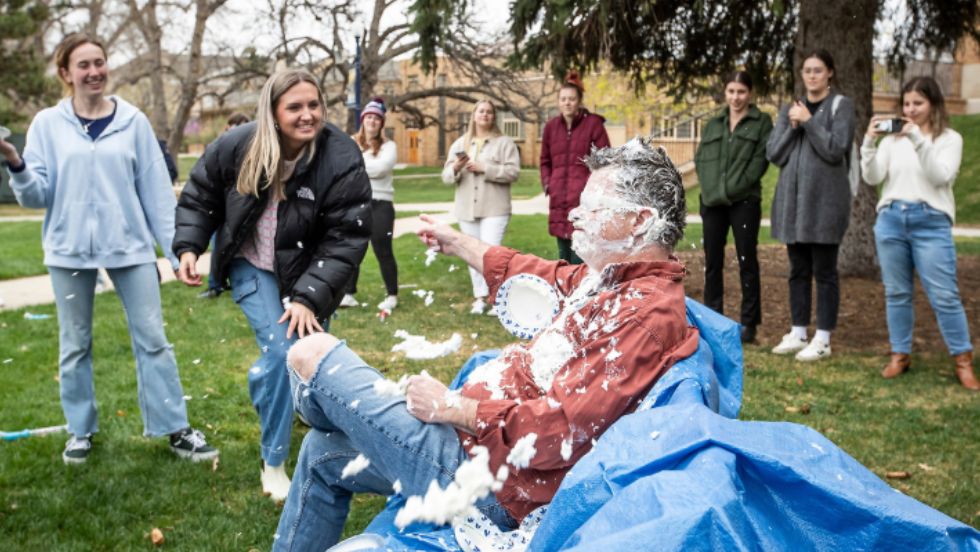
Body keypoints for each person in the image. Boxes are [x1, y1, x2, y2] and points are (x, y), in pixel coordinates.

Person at [272, 138, 698, 550]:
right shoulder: (613, 279)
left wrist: (452, 408)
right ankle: (326, 416)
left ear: (641, 220)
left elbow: (563, 429)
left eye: (592, 206)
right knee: (321, 453)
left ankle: (319, 409)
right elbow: (538, 275)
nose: (575, 215)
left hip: (493, 481)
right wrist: (458, 243)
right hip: (478, 448)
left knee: (309, 354)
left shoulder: (642, 317)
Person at [0, 33, 217, 465]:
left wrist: (179, 254)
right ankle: (80, 431)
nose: (94, 71)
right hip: (67, 251)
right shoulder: (46, 124)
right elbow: (36, 196)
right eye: (83, 65)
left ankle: (176, 428)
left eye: (99, 62)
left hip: (131, 249)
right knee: (74, 344)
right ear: (66, 73)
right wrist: (15, 161)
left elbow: (157, 194)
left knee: (153, 339)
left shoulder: (133, 121)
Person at [172, 69, 372, 501]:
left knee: (312, 359)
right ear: (274, 112)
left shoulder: (340, 156)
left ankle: (284, 397)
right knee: (286, 351)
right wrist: (189, 246)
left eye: (313, 105)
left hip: (308, 270)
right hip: (252, 265)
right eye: (295, 107)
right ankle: (274, 460)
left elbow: (347, 236)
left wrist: (308, 296)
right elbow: (200, 193)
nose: (307, 115)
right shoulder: (239, 144)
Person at [860, 77, 978, 390]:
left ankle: (962, 360)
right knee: (896, 292)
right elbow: (872, 176)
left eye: (918, 103)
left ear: (933, 104)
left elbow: (940, 176)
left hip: (931, 222)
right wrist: (869, 143)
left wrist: (917, 139)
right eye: (907, 103)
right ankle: (900, 354)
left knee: (944, 294)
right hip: (891, 220)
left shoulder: (949, 139)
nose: (910, 110)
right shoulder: (891, 141)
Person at [766, 49, 855, 362]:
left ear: (829, 73)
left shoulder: (840, 107)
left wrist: (810, 122)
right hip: (793, 205)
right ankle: (798, 331)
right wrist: (794, 125)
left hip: (825, 204)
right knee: (798, 270)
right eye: (808, 70)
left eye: (818, 70)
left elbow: (835, 150)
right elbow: (774, 154)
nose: (812, 76)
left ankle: (824, 338)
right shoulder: (790, 109)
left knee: (825, 272)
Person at [694, 71, 773, 344]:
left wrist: (734, 188)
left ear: (750, 94)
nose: (736, 97)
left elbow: (760, 162)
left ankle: (749, 324)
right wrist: (710, 191)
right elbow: (702, 158)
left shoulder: (761, 122)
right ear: (725, 93)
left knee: (746, 261)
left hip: (744, 202)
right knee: (712, 262)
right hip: (712, 203)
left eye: (741, 92)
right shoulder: (714, 123)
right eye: (731, 91)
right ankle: (713, 319)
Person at [441, 100, 521, 315]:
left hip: (495, 208)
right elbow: (446, 177)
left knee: (491, 253)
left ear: (493, 116)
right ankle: (480, 297)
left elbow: (513, 172)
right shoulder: (460, 144)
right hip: (467, 209)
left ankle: (497, 299)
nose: (485, 115)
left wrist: (484, 167)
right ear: (474, 115)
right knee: (471, 253)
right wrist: (456, 167)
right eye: (481, 111)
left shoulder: (504, 143)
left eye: (489, 112)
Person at [540, 71, 611, 265]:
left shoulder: (593, 124)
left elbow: (604, 161)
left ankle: (581, 294)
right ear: (558, 102)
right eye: (563, 99)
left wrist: (591, 190)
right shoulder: (550, 127)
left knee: (581, 258)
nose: (567, 103)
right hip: (559, 200)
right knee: (563, 257)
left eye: (571, 99)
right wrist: (549, 184)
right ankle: (566, 294)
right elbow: (544, 160)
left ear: (579, 101)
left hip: (583, 202)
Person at [339, 98, 400, 312]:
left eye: (376, 118)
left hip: (381, 203)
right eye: (369, 117)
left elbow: (381, 168)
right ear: (363, 120)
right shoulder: (351, 141)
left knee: (383, 250)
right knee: (353, 247)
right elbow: (342, 168)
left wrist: (356, 164)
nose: (372, 121)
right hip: (356, 202)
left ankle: (392, 294)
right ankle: (348, 293)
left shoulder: (389, 146)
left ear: (381, 123)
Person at [199, 111, 252, 300]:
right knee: (218, 246)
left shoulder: (254, 146)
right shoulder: (220, 147)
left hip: (241, 207)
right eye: (234, 127)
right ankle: (216, 284)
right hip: (222, 207)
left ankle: (230, 282)